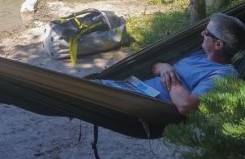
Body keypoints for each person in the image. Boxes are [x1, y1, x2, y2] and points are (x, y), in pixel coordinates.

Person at [98, 12, 245, 115]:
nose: (201, 34)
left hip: (141, 102)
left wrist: (171, 80)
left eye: (206, 32)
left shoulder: (224, 75)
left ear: (218, 44)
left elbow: (186, 106)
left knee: (86, 92)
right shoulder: (198, 54)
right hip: (131, 87)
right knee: (89, 85)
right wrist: (164, 67)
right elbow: (153, 67)